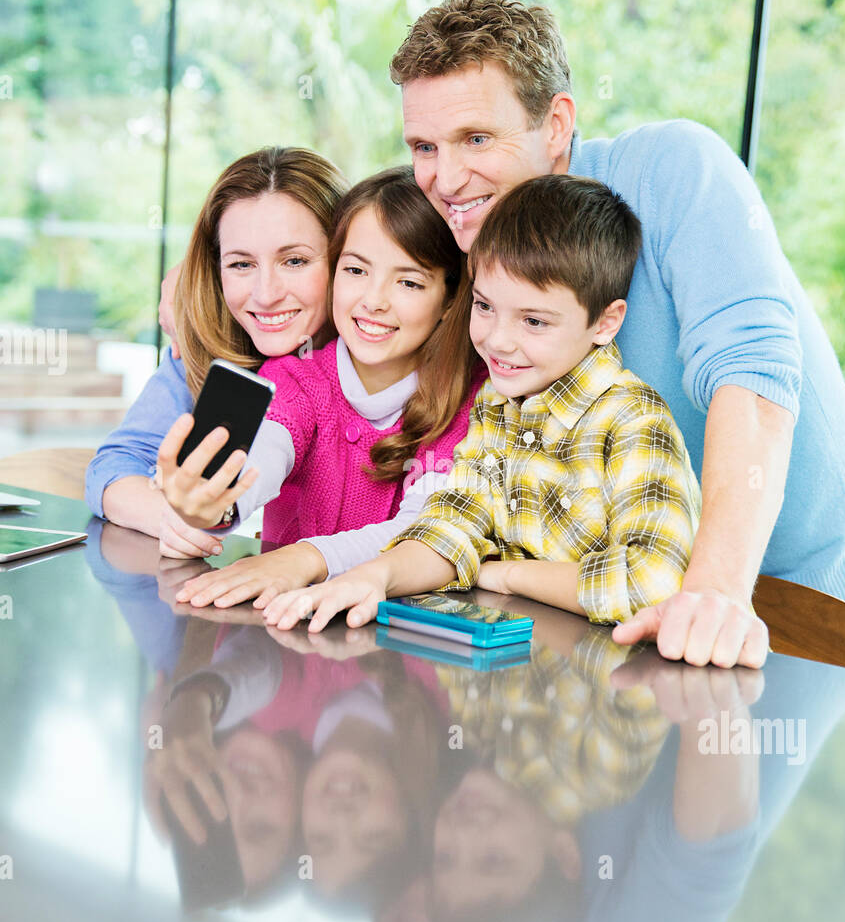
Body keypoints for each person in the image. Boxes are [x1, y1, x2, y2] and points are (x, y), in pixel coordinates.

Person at [384, 0, 845, 668]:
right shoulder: (474, 243)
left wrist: (715, 590)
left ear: (556, 124)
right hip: (627, 592)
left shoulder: (674, 169)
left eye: (476, 138)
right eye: (424, 146)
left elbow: (752, 369)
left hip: (812, 580)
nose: (446, 178)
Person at [260, 173, 701, 632]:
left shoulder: (632, 420)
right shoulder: (495, 403)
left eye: (533, 321)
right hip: (499, 663)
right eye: (485, 306)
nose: (498, 341)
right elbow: (451, 525)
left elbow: (652, 584)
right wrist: (374, 576)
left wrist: (504, 575)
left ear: (605, 323)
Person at [157, 166, 487, 609]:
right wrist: (217, 502)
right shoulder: (296, 376)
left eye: (409, 282)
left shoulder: (473, 403)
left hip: (399, 642)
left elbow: (425, 531)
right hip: (283, 632)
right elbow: (268, 448)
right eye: (355, 270)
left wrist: (305, 559)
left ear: (449, 298)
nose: (374, 300)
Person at [85, 146, 348, 558]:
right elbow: (115, 466)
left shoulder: (375, 356)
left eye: (295, 261)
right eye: (241, 265)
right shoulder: (207, 349)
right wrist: (174, 518)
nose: (266, 294)